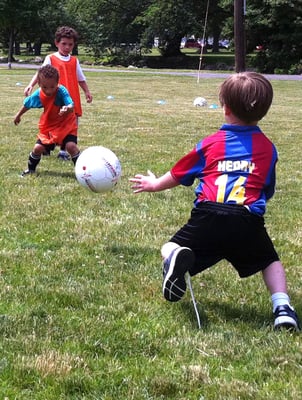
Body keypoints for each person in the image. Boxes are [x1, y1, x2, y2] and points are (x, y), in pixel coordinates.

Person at [130, 71, 300, 331]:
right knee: (269, 261)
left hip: (208, 215)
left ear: (226, 108)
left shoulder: (211, 144)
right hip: (247, 218)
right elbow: (267, 187)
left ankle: (176, 256)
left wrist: (153, 184)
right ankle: (282, 308)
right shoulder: (268, 148)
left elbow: (178, 174)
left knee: (169, 246)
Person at [24, 26, 92, 160]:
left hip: (70, 99)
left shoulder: (74, 61)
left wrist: (87, 92)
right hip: (55, 98)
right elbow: (41, 74)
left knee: (70, 124)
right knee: (52, 122)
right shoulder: (51, 58)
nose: (67, 47)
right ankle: (47, 145)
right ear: (56, 43)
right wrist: (30, 85)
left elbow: (81, 78)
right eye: (64, 44)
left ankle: (63, 151)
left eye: (70, 44)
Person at [14, 65, 80, 176]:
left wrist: (67, 108)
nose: (48, 91)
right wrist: (18, 115)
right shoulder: (39, 93)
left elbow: (71, 104)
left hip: (66, 125)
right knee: (38, 148)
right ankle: (31, 170)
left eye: (52, 87)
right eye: (45, 87)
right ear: (39, 84)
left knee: (71, 146)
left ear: (57, 83)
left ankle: (82, 172)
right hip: (49, 126)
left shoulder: (61, 91)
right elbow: (27, 104)